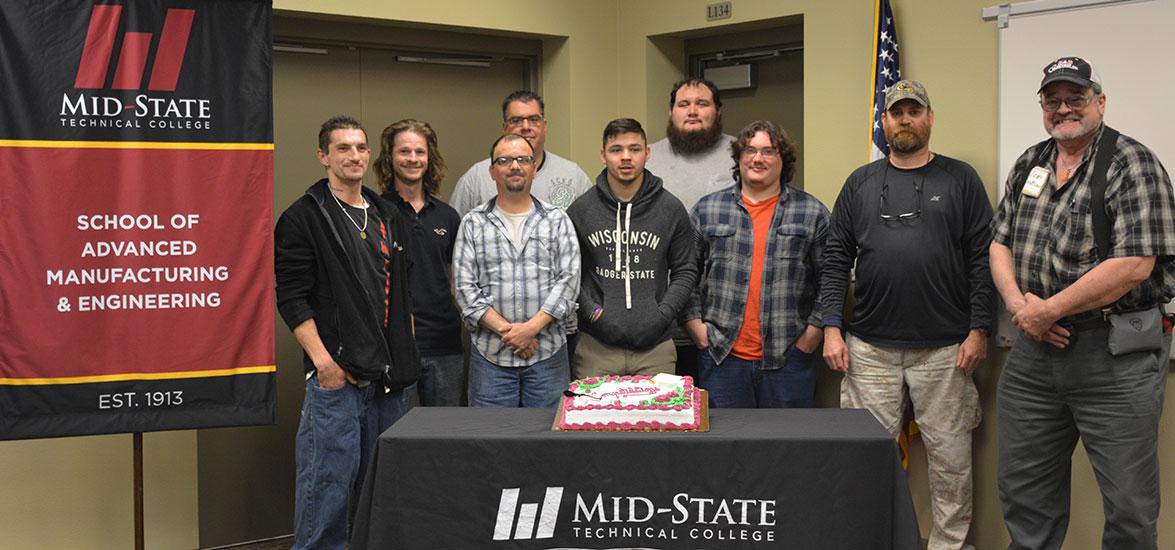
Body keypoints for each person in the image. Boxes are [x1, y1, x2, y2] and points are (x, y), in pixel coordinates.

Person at [991, 57, 1175, 550]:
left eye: (1076, 98)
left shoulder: (1132, 163)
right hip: (1033, 355)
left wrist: (1049, 310)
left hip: (1112, 357)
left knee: (1130, 508)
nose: (1064, 108)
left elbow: (1135, 263)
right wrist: (1021, 309)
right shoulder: (1030, 162)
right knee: (1024, 495)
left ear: (1100, 101)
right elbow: (999, 243)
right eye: (1053, 101)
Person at [820, 80, 993, 550]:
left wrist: (980, 330)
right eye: (896, 113)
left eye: (914, 111)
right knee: (866, 458)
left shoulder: (961, 179)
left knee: (951, 462)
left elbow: (983, 259)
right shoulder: (861, 182)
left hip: (946, 349)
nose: (905, 120)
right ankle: (870, 540)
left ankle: (948, 545)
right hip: (869, 347)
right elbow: (835, 258)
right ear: (884, 121)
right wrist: (831, 328)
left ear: (930, 118)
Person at [275, 116, 419, 549]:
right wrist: (324, 365)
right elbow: (292, 298)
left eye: (360, 147)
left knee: (381, 492)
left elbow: (401, 294)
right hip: (338, 381)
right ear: (323, 156)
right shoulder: (304, 218)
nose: (354, 156)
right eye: (342, 148)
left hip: (390, 383)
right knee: (327, 492)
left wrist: (406, 356)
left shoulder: (387, 215)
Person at [684, 120, 827, 407]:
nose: (758, 158)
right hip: (722, 358)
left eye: (768, 151)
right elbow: (685, 275)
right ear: (739, 157)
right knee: (726, 448)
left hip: (789, 360)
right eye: (749, 150)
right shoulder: (707, 210)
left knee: (786, 449)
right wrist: (696, 328)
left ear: (782, 159)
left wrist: (813, 333)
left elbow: (830, 280)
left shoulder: (812, 212)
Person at [453, 134, 580, 407]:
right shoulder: (473, 223)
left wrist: (532, 329)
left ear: (534, 169)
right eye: (505, 160)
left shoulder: (557, 220)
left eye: (523, 159)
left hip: (548, 355)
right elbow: (465, 288)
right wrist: (510, 332)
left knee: (548, 442)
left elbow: (569, 282)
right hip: (491, 359)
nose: (515, 166)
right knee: (490, 442)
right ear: (492, 171)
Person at [566, 118, 697, 377]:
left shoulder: (670, 209)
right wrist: (594, 314)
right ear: (603, 155)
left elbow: (686, 270)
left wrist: (662, 315)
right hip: (596, 348)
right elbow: (568, 274)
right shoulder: (581, 210)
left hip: (656, 349)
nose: (626, 157)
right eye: (616, 150)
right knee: (596, 418)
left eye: (634, 149)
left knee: (656, 418)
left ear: (647, 154)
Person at [645, 78, 737, 383]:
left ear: (718, 111)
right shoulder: (647, 158)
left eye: (702, 103)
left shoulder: (743, 156)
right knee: (666, 417)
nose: (692, 111)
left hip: (724, 320)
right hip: (662, 320)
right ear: (671, 112)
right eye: (683, 104)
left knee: (721, 417)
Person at [375, 119, 464, 406]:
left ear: (430, 158)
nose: (412, 159)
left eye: (419, 152)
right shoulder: (376, 213)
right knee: (393, 436)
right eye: (404, 152)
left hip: (444, 345)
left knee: (444, 437)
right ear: (390, 157)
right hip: (393, 345)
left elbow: (455, 283)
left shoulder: (448, 217)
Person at [450, 90, 592, 215]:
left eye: (534, 120)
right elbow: (455, 233)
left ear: (544, 126)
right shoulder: (476, 178)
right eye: (516, 121)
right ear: (505, 128)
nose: (525, 127)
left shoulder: (573, 175)